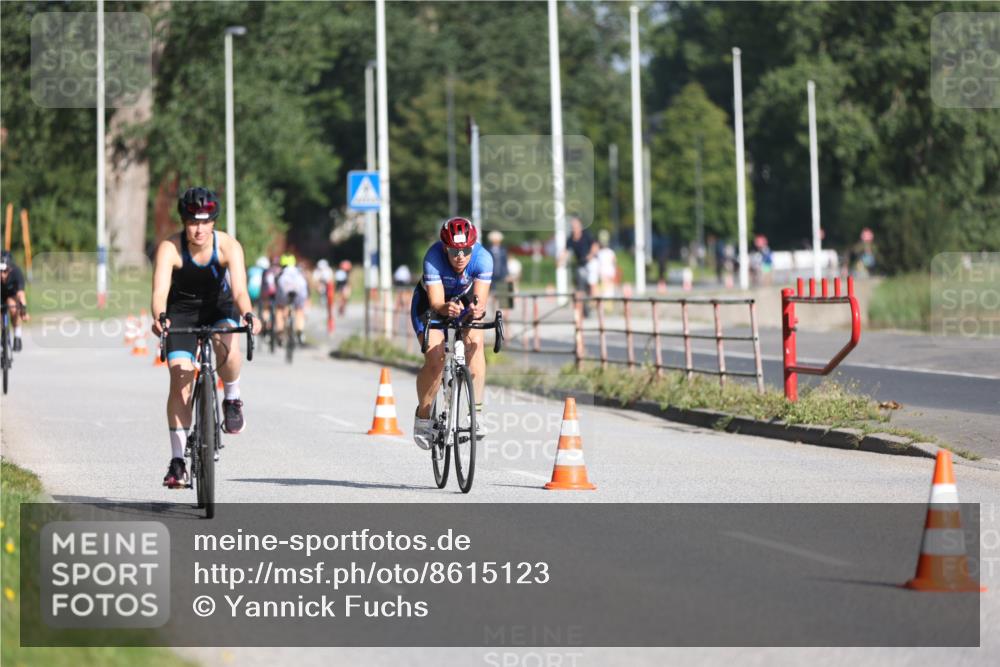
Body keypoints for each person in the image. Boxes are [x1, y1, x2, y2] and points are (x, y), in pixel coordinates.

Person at [150, 187, 261, 488]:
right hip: (181, 310)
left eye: (205, 221)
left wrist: (249, 315)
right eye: (192, 222)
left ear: (213, 221)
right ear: (184, 221)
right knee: (181, 378)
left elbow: (239, 291)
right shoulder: (170, 249)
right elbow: (159, 294)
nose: (199, 229)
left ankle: (233, 398)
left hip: (218, 307)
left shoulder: (228, 246)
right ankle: (177, 461)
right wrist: (160, 318)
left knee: (228, 350)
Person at [411, 217, 492, 450]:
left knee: (475, 342)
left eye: (466, 250)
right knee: (435, 359)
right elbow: (436, 302)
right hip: (430, 306)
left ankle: (476, 415)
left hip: (463, 302)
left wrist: (476, 309)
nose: (460, 256)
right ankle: (424, 416)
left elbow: (480, 300)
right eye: (454, 251)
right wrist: (446, 308)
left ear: (473, 247)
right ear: (445, 247)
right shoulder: (433, 258)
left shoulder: (483, 259)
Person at [561, 216, 598, 314]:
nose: (574, 227)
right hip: (580, 263)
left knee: (591, 282)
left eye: (576, 225)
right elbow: (565, 251)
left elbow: (594, 245)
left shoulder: (586, 235)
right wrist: (561, 261)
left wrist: (590, 255)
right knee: (579, 285)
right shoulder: (570, 239)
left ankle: (593, 302)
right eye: (573, 225)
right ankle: (580, 307)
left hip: (590, 262)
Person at [275, 253, 309, 345]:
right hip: (300, 287)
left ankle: (280, 333)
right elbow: (306, 283)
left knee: (279, 309)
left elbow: (276, 285)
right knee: (299, 310)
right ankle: (300, 330)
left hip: (284, 286)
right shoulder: (299, 270)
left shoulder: (281, 271)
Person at [0, 250, 28, 351]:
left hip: (12, 295)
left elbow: (21, 293)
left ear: (10, 269)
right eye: (0, 271)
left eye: (5, 271)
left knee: (14, 309)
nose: (2, 275)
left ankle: (17, 335)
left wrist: (24, 311)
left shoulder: (16, 272)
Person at [486, 230, 513, 309]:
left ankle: (506, 316)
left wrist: (507, 275)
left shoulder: (503, 250)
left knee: (504, 298)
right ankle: (494, 313)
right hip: (491, 276)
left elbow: (505, 264)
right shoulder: (487, 250)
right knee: (492, 296)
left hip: (502, 275)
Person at [596, 230, 617, 299]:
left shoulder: (599, 253)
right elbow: (614, 262)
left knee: (604, 291)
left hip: (603, 274)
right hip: (609, 273)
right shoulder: (611, 252)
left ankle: (605, 306)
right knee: (608, 290)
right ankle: (608, 305)